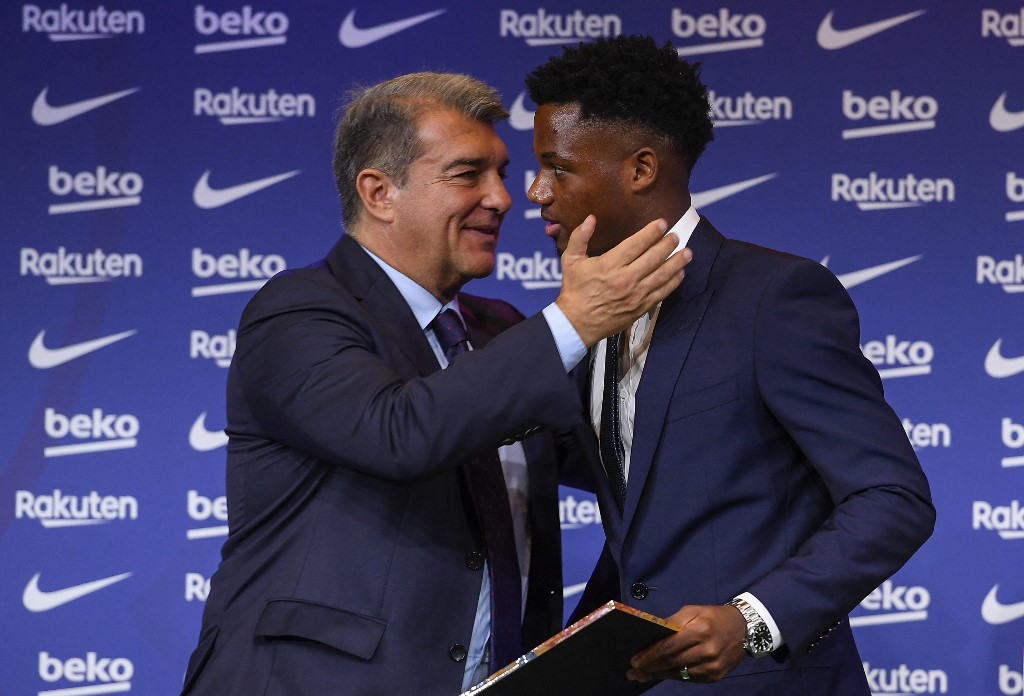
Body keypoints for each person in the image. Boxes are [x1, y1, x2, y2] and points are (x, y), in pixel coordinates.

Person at [179, 71, 690, 695]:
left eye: (501, 173)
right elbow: (398, 432)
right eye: (468, 174)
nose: (503, 198)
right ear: (379, 192)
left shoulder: (500, 331)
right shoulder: (299, 311)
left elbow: (622, 464)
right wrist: (572, 321)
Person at [525, 36, 935, 694]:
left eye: (558, 167)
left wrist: (750, 621)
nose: (537, 192)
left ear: (640, 169)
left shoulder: (775, 298)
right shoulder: (589, 315)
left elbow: (892, 499)